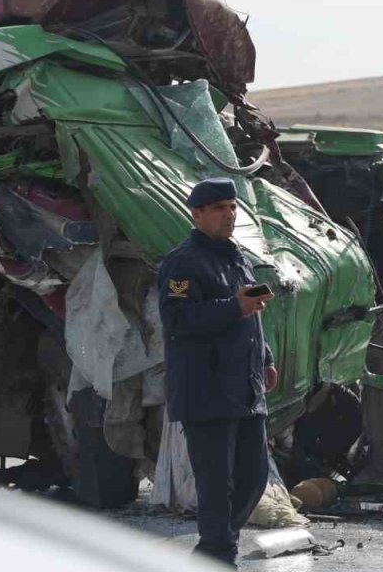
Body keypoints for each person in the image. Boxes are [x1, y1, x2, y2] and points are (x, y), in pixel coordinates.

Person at [157, 178, 280, 568]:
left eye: (232, 206)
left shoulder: (235, 256)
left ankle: (213, 551)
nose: (229, 214)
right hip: (206, 391)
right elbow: (177, 318)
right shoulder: (183, 262)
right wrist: (232, 308)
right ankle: (219, 555)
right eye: (219, 208)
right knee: (216, 485)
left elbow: (251, 313)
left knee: (253, 477)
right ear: (197, 214)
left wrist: (265, 357)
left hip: (243, 386)